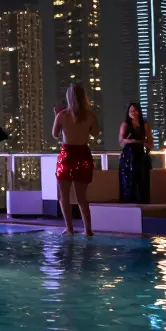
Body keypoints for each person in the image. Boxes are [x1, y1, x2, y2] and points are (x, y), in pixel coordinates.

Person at [52, 82, 99, 236]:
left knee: (64, 196)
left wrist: (56, 117)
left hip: (67, 155)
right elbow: (96, 133)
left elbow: (55, 134)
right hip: (83, 155)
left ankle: (69, 228)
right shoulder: (90, 116)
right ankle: (88, 229)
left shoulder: (62, 115)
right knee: (81, 197)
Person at [118, 102, 153, 204]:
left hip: (140, 155)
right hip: (128, 156)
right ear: (128, 113)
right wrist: (132, 141)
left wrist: (145, 144)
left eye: (135, 110)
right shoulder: (125, 124)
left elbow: (150, 140)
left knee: (142, 182)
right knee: (128, 182)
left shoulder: (145, 124)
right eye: (131, 111)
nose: (133, 113)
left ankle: (143, 205)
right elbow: (121, 140)